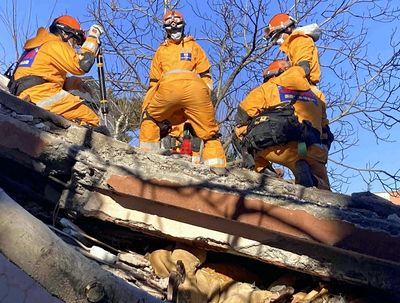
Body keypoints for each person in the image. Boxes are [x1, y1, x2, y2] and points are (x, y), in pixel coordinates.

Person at [139, 10, 226, 172]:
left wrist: (147, 108)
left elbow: (154, 83)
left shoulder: (161, 51)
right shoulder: (195, 47)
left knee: (150, 119)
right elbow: (206, 77)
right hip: (196, 90)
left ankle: (146, 159)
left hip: (168, 90)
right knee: (209, 133)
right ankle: (218, 167)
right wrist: (207, 103)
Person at [234, 59, 333, 190]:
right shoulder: (316, 95)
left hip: (281, 145)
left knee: (240, 131)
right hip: (309, 148)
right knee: (322, 184)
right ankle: (317, 182)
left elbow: (242, 115)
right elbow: (325, 128)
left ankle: (262, 170)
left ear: (273, 74)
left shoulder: (268, 87)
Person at [8, 15, 103, 126]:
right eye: (75, 40)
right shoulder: (55, 44)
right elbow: (82, 65)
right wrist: (93, 38)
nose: (74, 46)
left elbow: (45, 75)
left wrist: (75, 83)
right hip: (41, 95)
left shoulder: (40, 46)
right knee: (92, 119)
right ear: (65, 34)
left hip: (28, 93)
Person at [263, 13, 325, 102]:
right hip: (308, 91)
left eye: (278, 36)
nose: (277, 41)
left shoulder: (299, 40)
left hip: (305, 91)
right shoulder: (294, 44)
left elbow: (304, 69)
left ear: (288, 28)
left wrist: (274, 83)